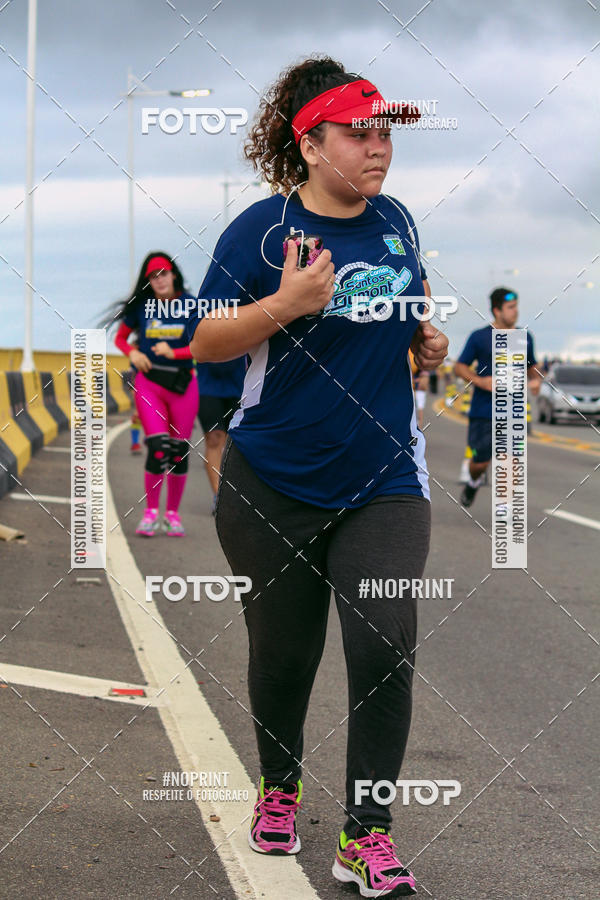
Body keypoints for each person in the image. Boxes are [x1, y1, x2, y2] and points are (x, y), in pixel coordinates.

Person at [188, 57, 448, 897]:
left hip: (384, 476)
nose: (379, 150)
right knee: (285, 652)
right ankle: (278, 787)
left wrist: (424, 338)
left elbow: (409, 296)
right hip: (273, 480)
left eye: (387, 135)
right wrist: (286, 304)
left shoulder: (396, 218)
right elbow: (203, 341)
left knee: (385, 642)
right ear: (311, 143)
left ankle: (365, 836)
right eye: (360, 135)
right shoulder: (260, 234)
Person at [114, 252, 199, 536]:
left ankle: (172, 514)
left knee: (178, 452)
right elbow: (120, 338)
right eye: (153, 276)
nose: (159, 279)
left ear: (173, 274)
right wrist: (134, 353)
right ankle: (151, 513)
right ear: (148, 281)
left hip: (183, 386)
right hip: (149, 384)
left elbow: (203, 345)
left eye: (163, 273)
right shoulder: (142, 307)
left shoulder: (190, 305)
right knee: (158, 447)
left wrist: (174, 351)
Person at [454, 287, 540, 508]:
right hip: (484, 411)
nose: (515, 312)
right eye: (510, 307)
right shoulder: (480, 337)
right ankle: (473, 481)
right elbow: (460, 367)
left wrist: (536, 380)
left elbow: (532, 367)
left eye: (516, 307)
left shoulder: (524, 337)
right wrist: (481, 381)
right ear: (496, 310)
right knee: (480, 462)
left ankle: (505, 506)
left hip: (513, 411)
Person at [196, 358, 246, 514]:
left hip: (242, 387)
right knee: (214, 439)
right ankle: (219, 496)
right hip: (208, 387)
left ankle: (238, 494)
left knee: (239, 444)